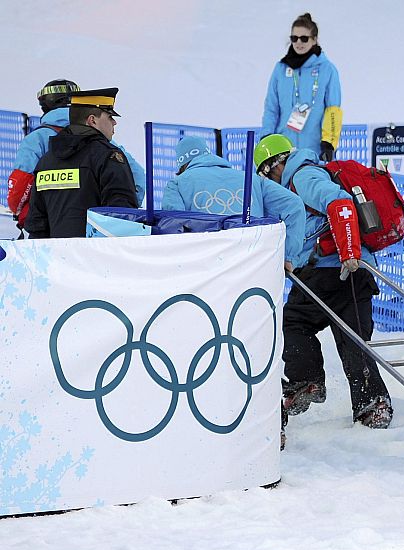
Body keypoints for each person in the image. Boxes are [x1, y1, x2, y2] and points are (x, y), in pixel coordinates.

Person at [254, 133, 392, 431]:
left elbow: (341, 203)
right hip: (333, 270)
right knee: (328, 330)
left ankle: (320, 386)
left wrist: (350, 252)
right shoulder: (302, 176)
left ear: (273, 167)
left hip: (340, 269)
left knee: (323, 330)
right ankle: (362, 401)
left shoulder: (303, 176)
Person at [6, 80, 146, 236]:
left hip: (54, 247)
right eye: (110, 117)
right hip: (96, 250)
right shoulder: (108, 149)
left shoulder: (43, 153)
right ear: (92, 120)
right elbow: (136, 182)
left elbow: (21, 192)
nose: (114, 122)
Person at [161, 136, 306, 271]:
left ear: (181, 165)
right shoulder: (252, 180)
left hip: (206, 266)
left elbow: (173, 226)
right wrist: (287, 257)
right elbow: (294, 205)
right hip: (252, 262)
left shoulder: (177, 184)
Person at [261, 12, 342, 162]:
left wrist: (328, 144)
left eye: (304, 38)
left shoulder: (327, 69)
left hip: (314, 152)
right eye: (294, 38)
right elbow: (271, 107)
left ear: (315, 40)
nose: (299, 42)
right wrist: (267, 137)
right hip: (283, 152)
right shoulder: (281, 69)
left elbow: (333, 110)